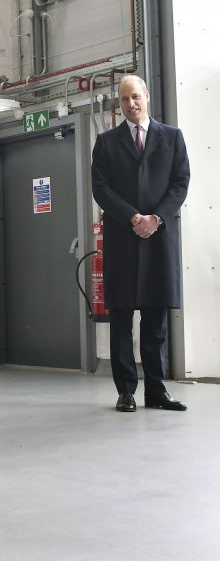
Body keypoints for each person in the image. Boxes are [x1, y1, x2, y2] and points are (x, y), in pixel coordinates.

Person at [91, 74, 190, 413]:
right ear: (118, 104)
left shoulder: (172, 138)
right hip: (123, 237)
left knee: (155, 318)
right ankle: (126, 391)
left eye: (135, 97)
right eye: (123, 99)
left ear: (146, 96)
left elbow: (180, 183)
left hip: (159, 238)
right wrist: (134, 217)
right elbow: (101, 188)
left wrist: (156, 218)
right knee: (121, 318)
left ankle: (157, 391)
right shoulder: (106, 142)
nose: (130, 104)